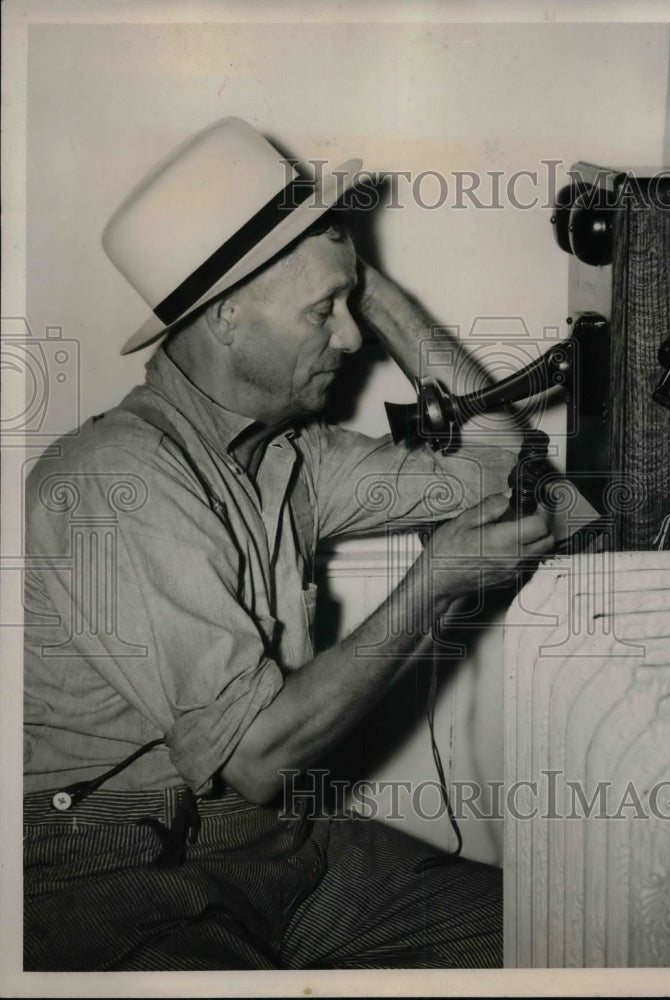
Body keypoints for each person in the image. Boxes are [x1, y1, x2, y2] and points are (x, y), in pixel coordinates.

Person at [23, 117, 554, 971]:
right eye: (323, 311)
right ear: (227, 318)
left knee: (569, 936)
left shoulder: (288, 456)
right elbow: (261, 758)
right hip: (108, 876)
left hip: (281, 852)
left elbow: (500, 464)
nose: (350, 337)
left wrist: (358, 278)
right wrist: (436, 582)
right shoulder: (110, 480)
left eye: (351, 309)